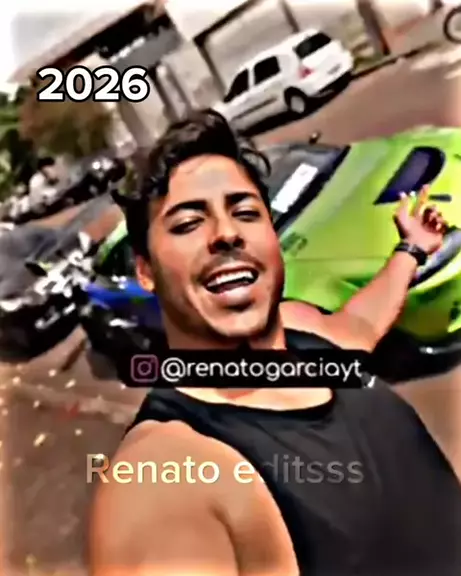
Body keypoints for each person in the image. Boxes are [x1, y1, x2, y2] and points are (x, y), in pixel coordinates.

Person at [90, 110, 461, 576]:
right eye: (187, 224)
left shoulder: (301, 330)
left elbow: (360, 324)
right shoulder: (162, 480)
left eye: (246, 212)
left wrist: (412, 249)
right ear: (146, 270)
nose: (227, 233)